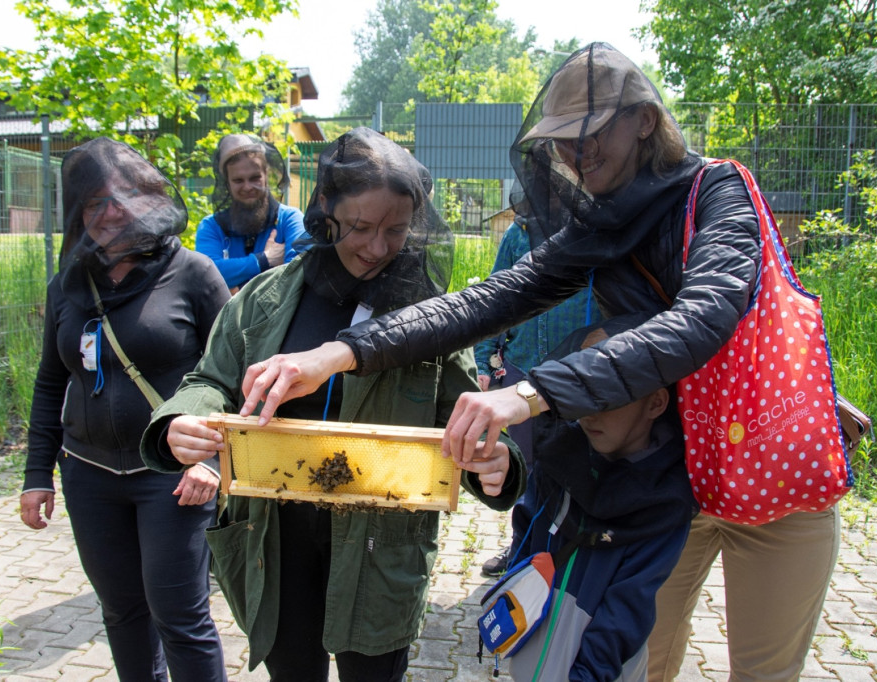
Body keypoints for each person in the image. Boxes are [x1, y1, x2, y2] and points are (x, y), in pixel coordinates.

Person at [239, 43, 840, 682]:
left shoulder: (718, 190)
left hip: (772, 471)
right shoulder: (602, 223)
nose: (576, 151)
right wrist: (335, 355)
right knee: (644, 662)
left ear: (644, 120)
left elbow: (702, 319)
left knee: (764, 671)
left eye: (591, 129)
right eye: (561, 138)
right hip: (667, 484)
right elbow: (485, 301)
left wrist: (526, 395)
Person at [139, 127, 526, 682]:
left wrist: (496, 461)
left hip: (379, 550)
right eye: (361, 227)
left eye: (396, 230)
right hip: (274, 541)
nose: (376, 247)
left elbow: (466, 415)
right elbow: (209, 379)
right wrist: (183, 419)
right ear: (325, 206)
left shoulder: (432, 317)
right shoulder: (265, 298)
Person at [20, 137, 231, 681]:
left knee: (180, 616)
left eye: (123, 198)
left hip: (173, 474)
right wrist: (35, 474)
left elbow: (235, 374)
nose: (111, 213)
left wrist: (212, 461)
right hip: (87, 475)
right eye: (94, 203)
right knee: (121, 612)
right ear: (78, 215)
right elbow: (50, 383)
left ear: (151, 201)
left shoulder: (194, 273)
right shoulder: (67, 285)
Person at [502, 314, 696, 680]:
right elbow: (526, 528)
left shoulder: (665, 503)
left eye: (609, 395)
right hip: (529, 656)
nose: (590, 410)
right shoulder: (561, 456)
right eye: (583, 389)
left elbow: (626, 614)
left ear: (656, 403)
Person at [475, 217, 595, 577]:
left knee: (577, 468)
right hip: (522, 370)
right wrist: (484, 359)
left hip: (581, 373)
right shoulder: (519, 233)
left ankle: (571, 558)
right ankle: (521, 549)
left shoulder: (602, 230)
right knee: (528, 469)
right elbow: (495, 297)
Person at [194, 132, 308, 291]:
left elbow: (298, 275)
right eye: (238, 180)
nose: (247, 187)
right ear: (227, 183)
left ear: (266, 176)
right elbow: (205, 275)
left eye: (255, 178)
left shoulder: (290, 219)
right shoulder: (210, 226)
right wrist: (263, 260)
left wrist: (235, 282)